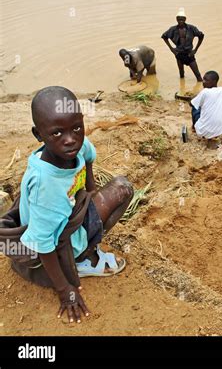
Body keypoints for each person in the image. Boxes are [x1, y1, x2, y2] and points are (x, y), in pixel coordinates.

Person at [16, 86, 133, 323]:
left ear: (81, 122)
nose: (71, 140)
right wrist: (65, 290)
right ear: (38, 135)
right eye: (57, 133)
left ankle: (84, 245)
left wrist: (90, 194)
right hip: (57, 242)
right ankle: (81, 260)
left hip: (68, 217)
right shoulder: (45, 184)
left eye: (77, 128)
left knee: (120, 189)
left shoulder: (78, 146)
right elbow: (42, 244)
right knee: (122, 188)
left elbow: (88, 157)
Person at [190, 71, 222, 141]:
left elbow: (191, 104)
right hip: (221, 130)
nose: (203, 82)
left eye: (206, 80)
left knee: (195, 107)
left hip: (203, 131)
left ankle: (194, 128)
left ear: (214, 81)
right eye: (203, 79)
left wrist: (193, 98)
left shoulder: (205, 92)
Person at [162, 10, 204, 82]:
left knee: (198, 75)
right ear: (176, 19)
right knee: (181, 74)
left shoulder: (191, 28)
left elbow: (201, 36)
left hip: (189, 54)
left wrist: (195, 49)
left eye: (182, 19)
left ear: (185, 19)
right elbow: (164, 36)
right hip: (179, 54)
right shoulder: (173, 29)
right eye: (179, 19)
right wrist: (172, 49)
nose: (180, 21)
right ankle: (182, 88)